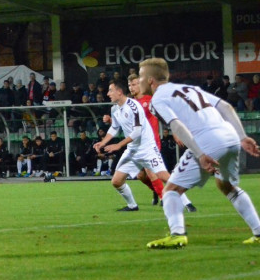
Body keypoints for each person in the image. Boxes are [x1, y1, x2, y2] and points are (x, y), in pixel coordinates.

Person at [137, 57, 260, 248]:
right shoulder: (190, 89)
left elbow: (176, 125)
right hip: (229, 135)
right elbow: (225, 107)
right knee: (226, 186)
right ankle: (259, 232)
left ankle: (177, 234)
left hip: (208, 140)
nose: (139, 80)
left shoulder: (158, 99)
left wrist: (200, 154)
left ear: (151, 80)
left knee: (171, 190)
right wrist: (242, 136)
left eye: (141, 76)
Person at [92, 78, 174, 213]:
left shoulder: (138, 104)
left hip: (147, 146)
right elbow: (116, 126)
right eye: (129, 84)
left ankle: (174, 198)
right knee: (122, 180)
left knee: (158, 175)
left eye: (110, 90)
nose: (108, 93)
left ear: (119, 92)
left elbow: (138, 130)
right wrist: (103, 142)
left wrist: (118, 145)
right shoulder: (117, 108)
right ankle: (133, 205)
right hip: (132, 148)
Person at [129, 73, 196, 211]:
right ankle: (158, 191)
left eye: (134, 84)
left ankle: (175, 200)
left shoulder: (150, 100)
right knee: (141, 176)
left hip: (151, 143)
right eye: (129, 85)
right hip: (137, 145)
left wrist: (175, 132)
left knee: (155, 173)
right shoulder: (131, 104)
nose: (131, 87)